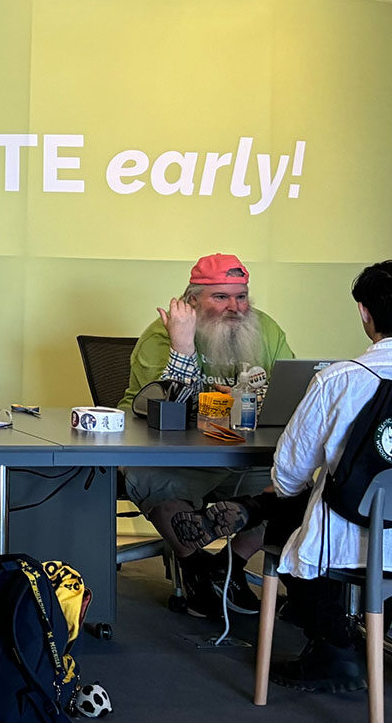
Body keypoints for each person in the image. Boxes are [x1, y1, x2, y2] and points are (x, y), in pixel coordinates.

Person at [224, 261, 392, 693]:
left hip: (343, 548)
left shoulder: (337, 381)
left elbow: (288, 473)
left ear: (364, 312)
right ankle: (361, 633)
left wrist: (283, 492)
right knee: (334, 501)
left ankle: (334, 644)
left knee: (290, 506)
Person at [120, 253, 295, 617]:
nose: (235, 307)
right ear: (192, 299)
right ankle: (194, 566)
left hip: (243, 452)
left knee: (291, 489)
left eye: (241, 296)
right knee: (152, 479)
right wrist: (182, 347)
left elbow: (288, 389)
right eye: (221, 297)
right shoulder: (162, 333)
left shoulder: (266, 328)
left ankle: (228, 566)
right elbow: (171, 409)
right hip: (174, 453)